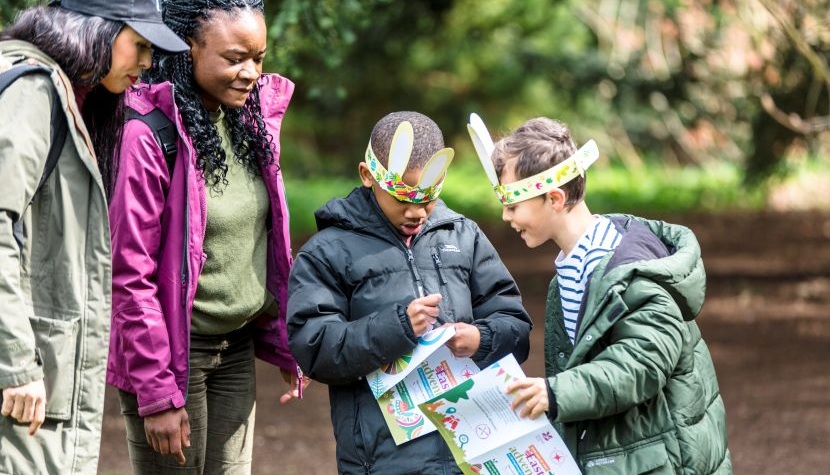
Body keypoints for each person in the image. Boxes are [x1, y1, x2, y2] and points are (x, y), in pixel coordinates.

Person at [467, 115, 732, 474]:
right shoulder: (569, 272)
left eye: (513, 205)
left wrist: (556, 393)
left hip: (667, 461)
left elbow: (643, 363)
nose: (504, 216)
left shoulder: (632, 269)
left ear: (555, 198)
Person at [106, 0, 306, 473]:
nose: (251, 72)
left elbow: (266, 244)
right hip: (173, 354)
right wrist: (156, 393)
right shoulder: (147, 135)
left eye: (258, 58)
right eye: (234, 58)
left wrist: (283, 339)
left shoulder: (251, 123)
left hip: (234, 347)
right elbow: (129, 273)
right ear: (188, 48)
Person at [287, 111, 533, 475]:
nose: (417, 212)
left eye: (429, 198)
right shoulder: (327, 251)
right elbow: (314, 347)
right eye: (402, 197)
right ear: (368, 175)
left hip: (473, 448)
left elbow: (516, 326)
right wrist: (398, 326)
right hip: (384, 458)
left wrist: (481, 338)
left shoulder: (462, 236)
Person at [0, 1, 187, 474]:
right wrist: (18, 364)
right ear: (95, 32)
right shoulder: (33, 91)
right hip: (22, 384)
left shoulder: (62, 92)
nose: (147, 63)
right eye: (139, 45)